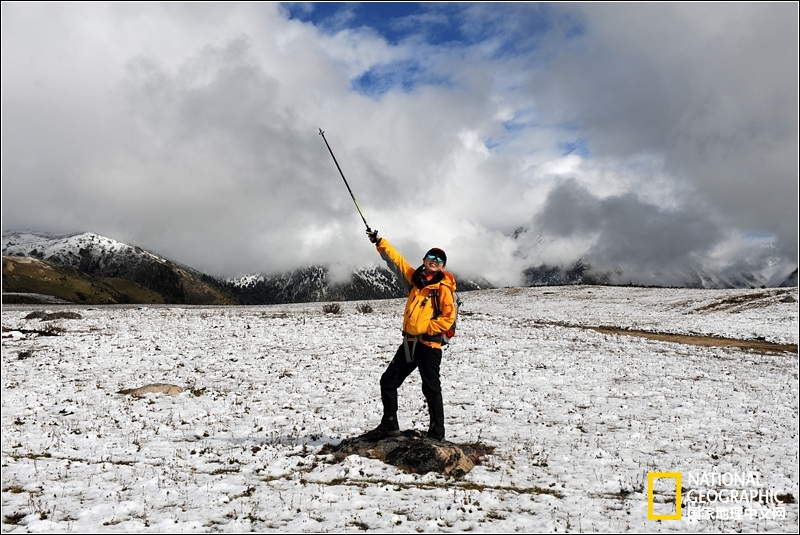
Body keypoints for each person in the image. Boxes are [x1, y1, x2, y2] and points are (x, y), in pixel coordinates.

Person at [366, 228, 457, 441]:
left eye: (439, 259)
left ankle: (436, 434)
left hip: (430, 345)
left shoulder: (443, 288)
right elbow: (396, 260)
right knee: (388, 381)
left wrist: (427, 329)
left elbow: (448, 318)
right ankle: (389, 424)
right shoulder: (415, 279)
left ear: (443, 266)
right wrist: (379, 241)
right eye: (431, 257)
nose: (434, 260)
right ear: (424, 260)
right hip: (410, 343)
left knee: (431, 388)